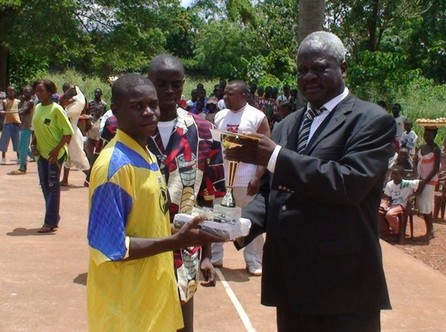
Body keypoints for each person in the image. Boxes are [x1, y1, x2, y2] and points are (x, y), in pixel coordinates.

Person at [225, 31, 395, 331]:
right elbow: (271, 193)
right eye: (301, 70)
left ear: (343, 68)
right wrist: (240, 225)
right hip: (290, 281)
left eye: (319, 68)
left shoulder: (371, 120)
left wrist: (276, 156)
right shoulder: (288, 125)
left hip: (343, 285)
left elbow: (349, 183)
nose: (308, 77)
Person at [87, 73, 224, 331]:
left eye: (153, 105)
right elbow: (108, 246)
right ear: (116, 110)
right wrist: (175, 242)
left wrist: (189, 232)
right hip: (125, 307)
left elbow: (147, 223)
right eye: (138, 106)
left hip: (152, 299)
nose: (149, 112)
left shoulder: (146, 154)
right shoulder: (113, 167)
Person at [147, 54, 226, 332]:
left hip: (185, 250)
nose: (169, 91)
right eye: (161, 84)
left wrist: (207, 254)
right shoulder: (128, 128)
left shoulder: (205, 132)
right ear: (149, 83)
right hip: (142, 246)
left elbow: (209, 196)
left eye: (176, 85)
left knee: (182, 323)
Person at [213, 80, 270, 276]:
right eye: (225, 93)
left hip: (247, 179)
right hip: (223, 178)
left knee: (250, 222)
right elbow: (215, 146)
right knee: (218, 219)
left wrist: (258, 177)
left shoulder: (257, 117)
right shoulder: (220, 116)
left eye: (230, 94)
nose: (225, 97)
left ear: (243, 96)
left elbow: (266, 150)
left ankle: (253, 261)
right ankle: (215, 257)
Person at [31, 79, 74, 233]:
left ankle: (49, 222)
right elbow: (35, 129)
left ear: (50, 92)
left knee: (52, 184)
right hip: (41, 153)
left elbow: (68, 133)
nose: (38, 93)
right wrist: (34, 144)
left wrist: (56, 151)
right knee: (44, 184)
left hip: (56, 153)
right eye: (36, 91)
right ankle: (54, 215)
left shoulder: (56, 109)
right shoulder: (37, 108)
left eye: (41, 91)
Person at [414, 126, 441, 240]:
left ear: (434, 136)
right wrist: (417, 177)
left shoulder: (436, 149)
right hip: (420, 179)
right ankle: (430, 230)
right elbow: (416, 162)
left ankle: (429, 232)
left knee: (426, 206)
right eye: (425, 135)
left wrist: (424, 182)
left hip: (429, 181)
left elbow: (435, 169)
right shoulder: (421, 147)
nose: (426, 137)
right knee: (422, 205)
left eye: (429, 135)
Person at [379, 165, 420, 237]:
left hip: (401, 204)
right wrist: (385, 203)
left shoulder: (407, 183)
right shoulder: (390, 184)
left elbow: (421, 182)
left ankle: (397, 232)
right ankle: (385, 232)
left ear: (401, 175)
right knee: (380, 211)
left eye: (396, 174)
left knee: (390, 214)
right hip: (392, 203)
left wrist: (415, 194)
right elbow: (388, 196)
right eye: (392, 174)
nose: (393, 176)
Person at [9, 85, 35, 175]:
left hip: (27, 127)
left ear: (32, 93)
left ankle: (22, 167)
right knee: (24, 147)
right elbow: (19, 110)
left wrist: (20, 109)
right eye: (24, 91)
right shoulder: (25, 101)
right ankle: (36, 158)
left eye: (27, 91)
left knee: (22, 147)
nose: (25, 93)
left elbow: (22, 112)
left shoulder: (30, 102)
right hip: (24, 126)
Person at [0, 85, 21, 164]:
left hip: (16, 123)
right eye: (9, 91)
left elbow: (21, 112)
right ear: (7, 92)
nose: (11, 92)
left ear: (14, 92)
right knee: (4, 141)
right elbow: (2, 111)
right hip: (7, 123)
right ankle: (3, 158)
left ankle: (19, 158)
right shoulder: (4, 101)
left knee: (17, 141)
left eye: (12, 91)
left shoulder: (18, 101)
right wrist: (3, 113)